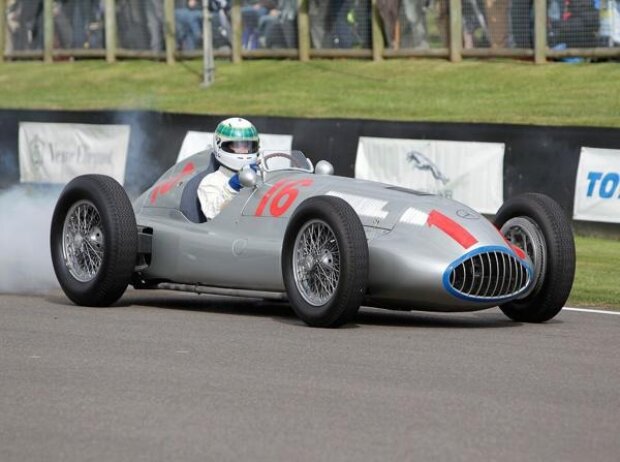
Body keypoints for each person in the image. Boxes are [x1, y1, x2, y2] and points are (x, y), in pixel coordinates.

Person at [197, 118, 260, 220]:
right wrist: (231, 188)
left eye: (248, 145)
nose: (245, 151)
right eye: (238, 145)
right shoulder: (210, 182)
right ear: (222, 145)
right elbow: (212, 215)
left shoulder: (259, 177)